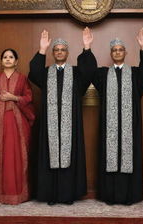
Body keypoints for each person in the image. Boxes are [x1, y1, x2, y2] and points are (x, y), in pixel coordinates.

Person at [28, 27, 97, 205]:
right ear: (53, 53)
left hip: (69, 124)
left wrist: (87, 47)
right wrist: (42, 49)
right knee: (50, 156)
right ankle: (51, 195)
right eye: (56, 50)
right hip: (50, 125)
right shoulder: (45, 73)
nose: (59, 52)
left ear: (67, 53)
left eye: (62, 49)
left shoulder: (76, 74)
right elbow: (33, 73)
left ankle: (68, 195)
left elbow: (90, 71)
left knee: (69, 156)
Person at [92, 28, 143, 205]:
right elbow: (87, 71)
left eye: (120, 49)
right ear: (111, 53)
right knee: (110, 157)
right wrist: (87, 48)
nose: (117, 52)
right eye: (114, 50)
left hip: (129, 127)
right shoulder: (103, 74)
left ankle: (129, 195)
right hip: (110, 126)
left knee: (129, 157)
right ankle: (109, 195)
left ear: (125, 53)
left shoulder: (135, 74)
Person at [0, 48, 35, 205]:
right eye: (5, 57)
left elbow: (28, 98)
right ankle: (0, 194)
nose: (8, 59)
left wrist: (13, 97)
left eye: (11, 57)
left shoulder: (23, 79)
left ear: (16, 61)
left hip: (18, 125)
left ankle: (20, 194)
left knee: (17, 155)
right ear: (1, 61)